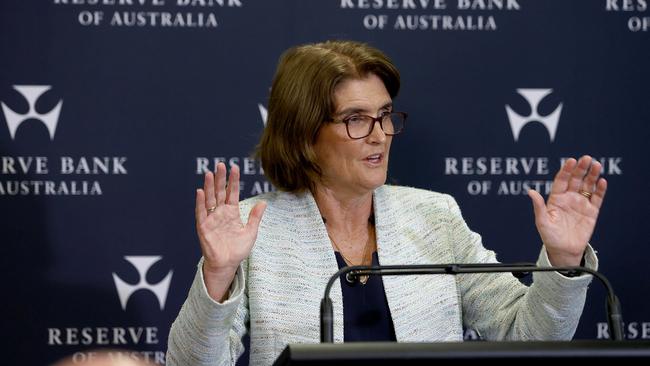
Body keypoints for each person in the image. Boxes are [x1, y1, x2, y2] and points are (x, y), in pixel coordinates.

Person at [166, 40, 607, 366]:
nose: (380, 135)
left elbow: (527, 336)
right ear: (304, 134)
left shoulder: (435, 216)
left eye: (385, 115)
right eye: (356, 119)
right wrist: (219, 276)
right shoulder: (254, 229)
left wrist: (563, 262)